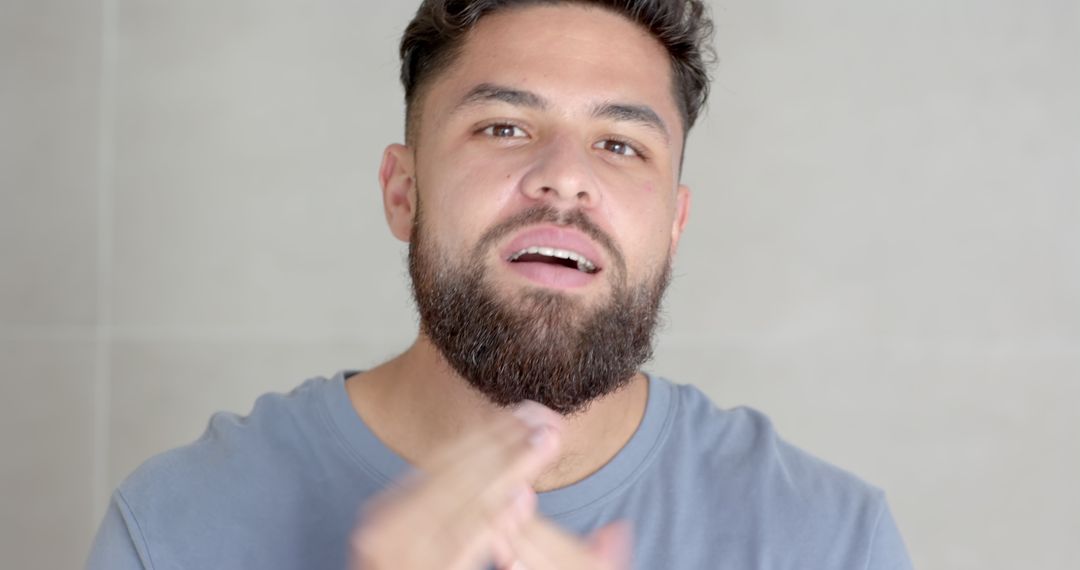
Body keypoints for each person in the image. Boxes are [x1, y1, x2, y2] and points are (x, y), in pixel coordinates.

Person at [87, 1, 914, 569]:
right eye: (505, 127)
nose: (564, 180)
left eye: (621, 144)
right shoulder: (176, 525)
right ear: (402, 191)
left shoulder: (828, 538)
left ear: (673, 222)